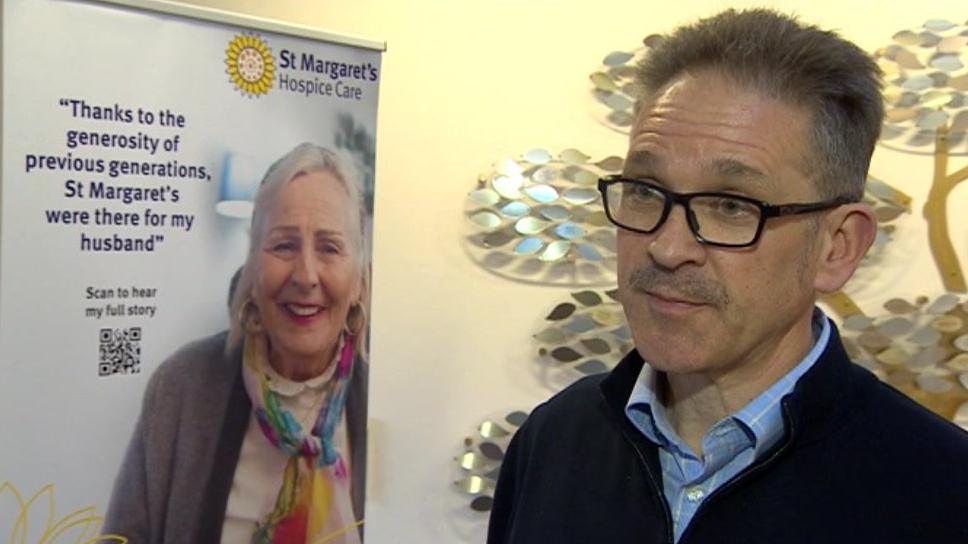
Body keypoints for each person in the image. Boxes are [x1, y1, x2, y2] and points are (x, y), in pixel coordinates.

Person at [488, 9, 968, 544]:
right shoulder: (555, 438)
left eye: (732, 205)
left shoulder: (943, 491)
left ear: (838, 247)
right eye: (645, 191)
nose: (668, 248)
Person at [104, 143, 370, 543]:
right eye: (283, 245)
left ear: (357, 280)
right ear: (252, 265)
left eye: (330, 248)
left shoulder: (389, 402)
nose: (306, 275)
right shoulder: (182, 388)